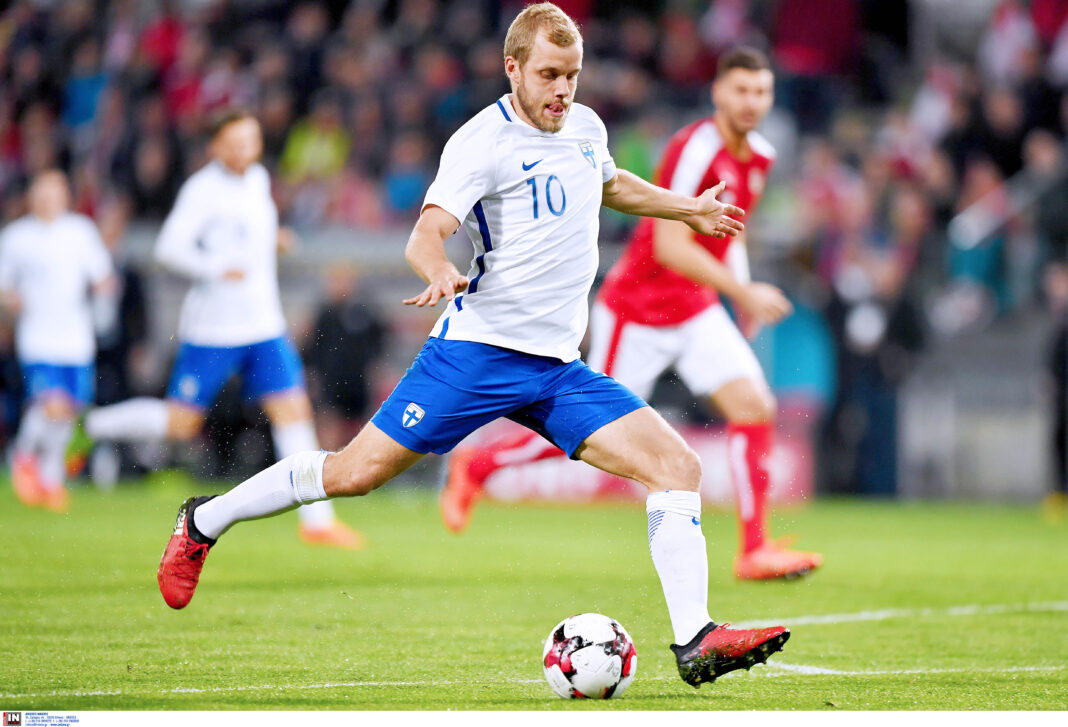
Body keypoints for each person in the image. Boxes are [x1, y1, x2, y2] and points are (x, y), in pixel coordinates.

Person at [156, 4, 790, 688]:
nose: (563, 90)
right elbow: (425, 233)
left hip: (558, 367)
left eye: (572, 75)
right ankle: (204, 520)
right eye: (549, 75)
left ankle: (696, 638)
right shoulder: (481, 141)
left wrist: (688, 208)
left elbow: (608, 182)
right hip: (476, 354)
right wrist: (437, 270)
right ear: (512, 68)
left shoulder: (585, 126)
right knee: (353, 474)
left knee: (677, 465)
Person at [440, 47, 824, 581]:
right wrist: (743, 290)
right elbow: (670, 245)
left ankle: (754, 550)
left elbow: (730, 231)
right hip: (637, 312)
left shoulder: (760, 155)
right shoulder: (694, 148)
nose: (751, 102)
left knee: (754, 406)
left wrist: (739, 296)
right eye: (740, 90)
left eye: (761, 92)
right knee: (589, 433)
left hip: (696, 308)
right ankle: (480, 463)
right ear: (717, 92)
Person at [85, 112, 363, 550]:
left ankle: (317, 521)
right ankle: (91, 425)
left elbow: (244, 237)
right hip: (214, 329)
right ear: (215, 146)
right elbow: (169, 248)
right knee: (181, 423)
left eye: (250, 140)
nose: (243, 149)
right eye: (234, 142)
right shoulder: (201, 190)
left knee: (293, 412)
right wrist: (216, 267)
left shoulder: (257, 180)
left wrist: (273, 240)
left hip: (263, 325)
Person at [0, 169, 116, 512]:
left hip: (76, 339)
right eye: (42, 191)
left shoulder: (81, 231)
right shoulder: (16, 236)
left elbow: (102, 274)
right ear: (31, 196)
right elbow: (3, 283)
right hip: (37, 337)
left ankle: (50, 480)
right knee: (49, 403)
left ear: (66, 196)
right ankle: (22, 456)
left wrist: (104, 292)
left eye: (54, 191)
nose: (48, 198)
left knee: (68, 413)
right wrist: (10, 300)